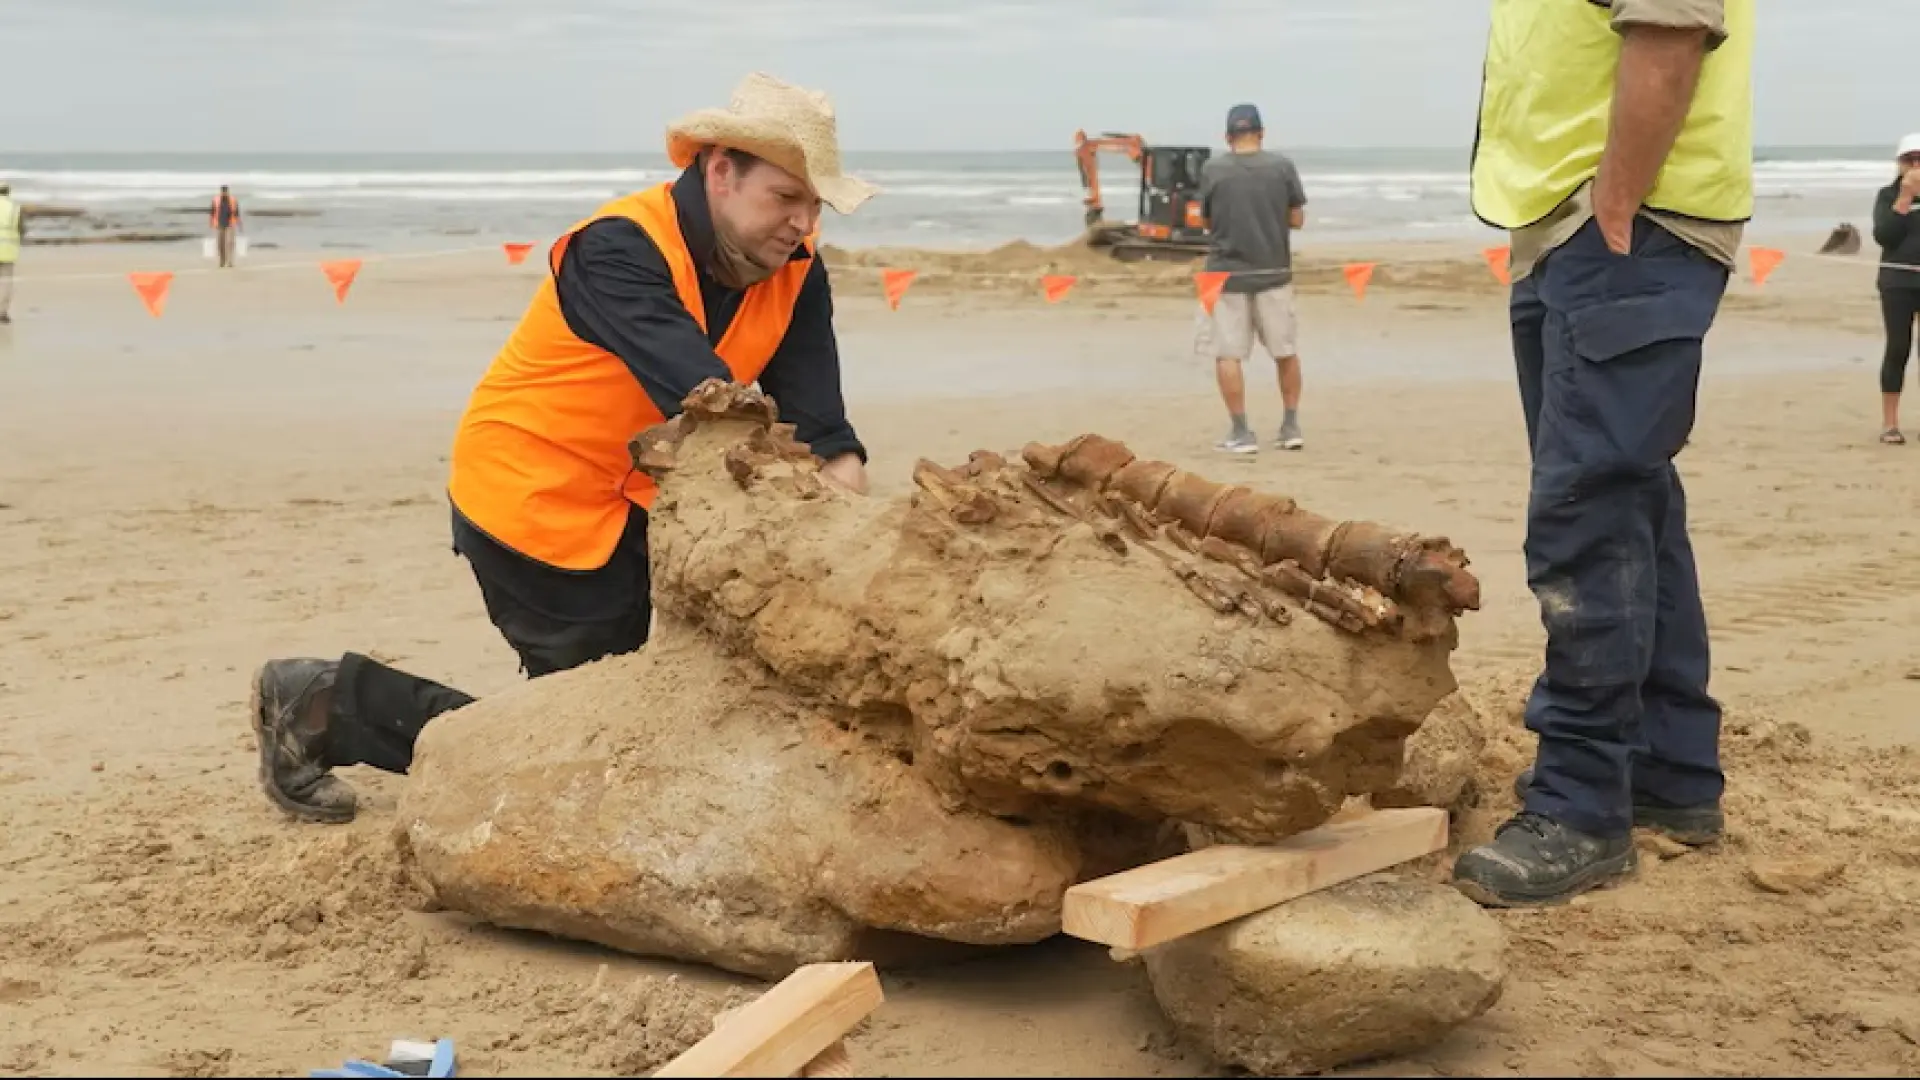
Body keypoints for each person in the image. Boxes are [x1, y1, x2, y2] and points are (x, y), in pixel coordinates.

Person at [247, 73, 877, 824]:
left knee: (630, 721)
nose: (802, 222)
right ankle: (325, 701)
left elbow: (820, 424)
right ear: (720, 172)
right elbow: (706, 401)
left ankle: (331, 704)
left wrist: (852, 524)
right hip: (533, 497)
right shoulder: (616, 249)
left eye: (816, 205)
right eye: (786, 197)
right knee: (583, 748)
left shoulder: (797, 269)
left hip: (640, 505)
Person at [1451, 0, 1752, 907]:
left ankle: (1582, 807)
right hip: (1572, 224)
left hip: (1626, 222)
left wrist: (1616, 197)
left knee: (1585, 513)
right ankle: (1667, 769)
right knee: (1631, 501)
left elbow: (1670, 28)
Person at [1197, 103, 1308, 455]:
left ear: (1228, 137)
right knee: (1285, 351)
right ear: (1261, 133)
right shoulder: (1282, 167)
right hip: (1274, 270)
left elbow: (1205, 222)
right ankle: (1290, 425)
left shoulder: (1213, 169)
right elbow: (1297, 219)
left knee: (1227, 354)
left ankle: (1241, 431)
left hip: (1224, 275)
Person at [1872, 134, 1920, 444]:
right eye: (1908, 159)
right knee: (1898, 348)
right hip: (1897, 282)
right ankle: (1890, 423)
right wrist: (1904, 198)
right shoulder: (1887, 195)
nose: (1915, 165)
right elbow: (1885, 236)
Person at [0, 182, 21, 324]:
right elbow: (21, 228)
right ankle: (2, 313)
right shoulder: (14, 207)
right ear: (8, 192)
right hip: (8, 250)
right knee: (5, 283)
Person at [210, 185, 242, 268]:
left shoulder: (233, 199)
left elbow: (237, 212)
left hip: (230, 223)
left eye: (225, 191)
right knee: (221, 244)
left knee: (230, 243)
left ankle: (230, 261)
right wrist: (211, 223)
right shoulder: (216, 200)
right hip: (219, 224)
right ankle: (222, 261)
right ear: (221, 192)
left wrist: (239, 224)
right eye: (223, 191)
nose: (224, 193)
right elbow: (212, 212)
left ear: (227, 191)